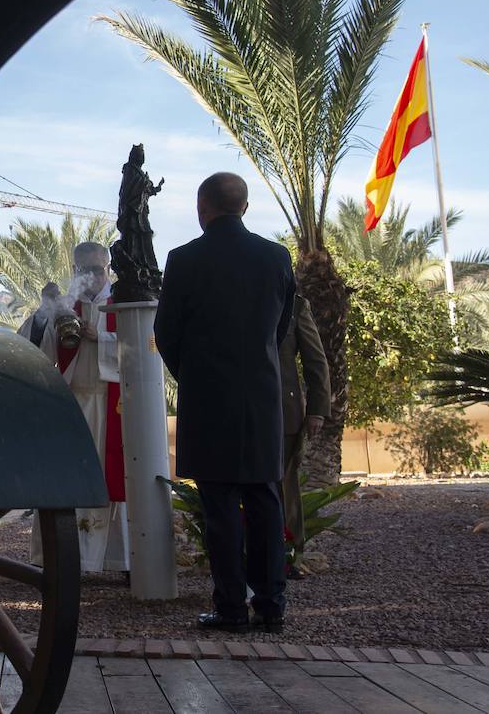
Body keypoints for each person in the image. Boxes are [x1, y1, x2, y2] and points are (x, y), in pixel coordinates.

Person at [154, 172, 294, 633]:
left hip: (208, 396)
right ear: (245, 207)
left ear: (202, 208)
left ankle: (231, 608)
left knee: (219, 507)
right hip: (261, 397)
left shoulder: (184, 259)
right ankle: (271, 606)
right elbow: (280, 328)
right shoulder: (276, 257)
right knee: (264, 499)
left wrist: (192, 376)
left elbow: (166, 333)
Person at [31, 241, 129, 576]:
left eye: (97, 269)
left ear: (108, 269)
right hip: (74, 403)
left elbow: (146, 351)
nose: (90, 276)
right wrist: (46, 310)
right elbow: (38, 352)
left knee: (113, 478)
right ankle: (70, 557)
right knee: (71, 478)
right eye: (83, 270)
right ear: (75, 270)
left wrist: (99, 338)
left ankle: (116, 559)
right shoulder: (66, 305)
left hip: (110, 405)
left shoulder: (121, 306)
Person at [278, 291, 329, 576]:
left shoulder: (294, 305)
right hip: (243, 413)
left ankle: (288, 557)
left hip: (285, 412)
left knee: (286, 487)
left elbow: (315, 360)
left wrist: (317, 409)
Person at [17, 282, 63, 348]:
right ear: (43, 295)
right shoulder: (29, 322)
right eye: (48, 295)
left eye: (52, 296)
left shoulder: (60, 319)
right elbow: (19, 340)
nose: (49, 299)